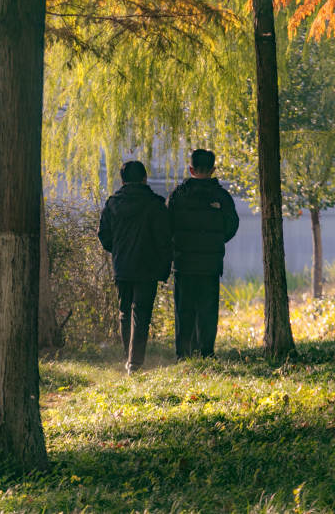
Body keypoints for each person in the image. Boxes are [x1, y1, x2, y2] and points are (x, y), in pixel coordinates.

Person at [98, 160, 172, 374]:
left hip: (122, 266)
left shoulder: (113, 203)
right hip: (147, 267)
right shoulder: (155, 204)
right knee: (141, 313)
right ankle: (135, 362)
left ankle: (128, 357)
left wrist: (118, 250)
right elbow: (164, 238)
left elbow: (104, 235)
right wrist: (163, 265)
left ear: (122, 180)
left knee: (124, 311)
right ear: (144, 178)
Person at [168, 149, 239, 359]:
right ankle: (206, 353)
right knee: (208, 311)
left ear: (190, 169)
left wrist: (176, 246)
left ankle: (184, 355)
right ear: (213, 170)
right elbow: (232, 225)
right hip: (211, 262)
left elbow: (167, 226)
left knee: (184, 310)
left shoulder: (178, 195)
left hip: (183, 262)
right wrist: (216, 240)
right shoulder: (221, 196)